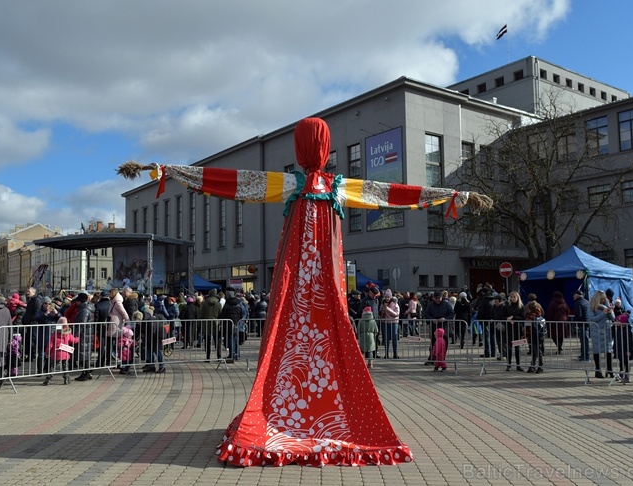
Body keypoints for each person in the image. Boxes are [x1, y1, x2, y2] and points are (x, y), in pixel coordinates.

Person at [117, 118, 492, 466]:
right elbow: (395, 194)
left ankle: (283, 411)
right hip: (326, 282)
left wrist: (173, 172)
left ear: (300, 150)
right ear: (326, 149)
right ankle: (329, 414)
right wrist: (449, 195)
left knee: (293, 324)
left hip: (297, 284)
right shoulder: (340, 187)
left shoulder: (292, 185)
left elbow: (229, 181)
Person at [44, 318, 79, 385]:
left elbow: (50, 344)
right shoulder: (68, 334)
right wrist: (78, 338)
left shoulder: (55, 334)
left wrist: (47, 352)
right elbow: (73, 340)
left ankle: (48, 379)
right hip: (65, 354)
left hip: (55, 354)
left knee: (52, 367)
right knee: (65, 367)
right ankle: (66, 379)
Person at [588, 290, 615, 379]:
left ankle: (610, 369)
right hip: (597, 331)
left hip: (607, 330)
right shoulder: (592, 306)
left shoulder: (607, 304)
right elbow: (592, 319)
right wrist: (604, 313)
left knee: (608, 351)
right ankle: (598, 370)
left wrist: (610, 312)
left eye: (604, 299)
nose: (603, 300)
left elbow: (613, 318)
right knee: (597, 351)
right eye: (602, 299)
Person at [424, 290, 454, 364]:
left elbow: (452, 314)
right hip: (434, 326)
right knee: (434, 342)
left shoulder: (446, 305)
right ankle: (432, 358)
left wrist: (445, 319)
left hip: (444, 326)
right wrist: (432, 319)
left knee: (444, 342)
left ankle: (442, 358)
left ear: (441, 298)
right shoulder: (430, 305)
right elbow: (426, 314)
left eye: (439, 298)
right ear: (434, 298)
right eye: (436, 298)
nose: (437, 300)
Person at [71, 291, 96, 381]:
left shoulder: (84, 310)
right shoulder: (87, 308)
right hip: (86, 334)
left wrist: (76, 335)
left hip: (83, 335)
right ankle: (86, 372)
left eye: (77, 301)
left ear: (80, 301)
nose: (75, 303)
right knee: (84, 354)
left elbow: (81, 324)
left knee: (83, 354)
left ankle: (86, 372)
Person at [219, 287, 243, 362]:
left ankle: (231, 356)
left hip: (229, 325)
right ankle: (236, 355)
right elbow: (241, 314)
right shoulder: (238, 303)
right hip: (237, 323)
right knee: (235, 339)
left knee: (230, 339)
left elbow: (222, 314)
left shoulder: (227, 304)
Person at [505, 291, 526, 372]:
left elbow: (523, 317)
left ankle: (518, 365)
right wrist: (507, 319)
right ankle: (509, 365)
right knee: (509, 348)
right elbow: (503, 315)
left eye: (514, 297)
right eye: (511, 297)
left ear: (517, 298)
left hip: (518, 329)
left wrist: (513, 317)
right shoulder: (507, 306)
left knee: (517, 348)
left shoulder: (521, 306)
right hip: (509, 329)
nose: (513, 298)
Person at [200, 288, 222, 361]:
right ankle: (219, 356)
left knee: (207, 341)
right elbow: (220, 314)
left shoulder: (204, 303)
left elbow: (201, 314)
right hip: (216, 324)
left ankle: (208, 357)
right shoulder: (219, 304)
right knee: (217, 341)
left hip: (206, 323)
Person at [613, 306, 633, 383]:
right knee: (621, 361)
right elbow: (616, 340)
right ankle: (622, 374)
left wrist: (629, 350)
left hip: (626, 349)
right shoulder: (618, 330)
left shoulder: (627, 331)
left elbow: (629, 342)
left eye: (618, 321)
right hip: (620, 349)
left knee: (626, 362)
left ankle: (627, 375)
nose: (616, 323)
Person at [525, 293, 544, 373]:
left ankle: (539, 366)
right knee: (535, 349)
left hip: (534, 332)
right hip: (538, 332)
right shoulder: (539, 306)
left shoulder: (530, 312)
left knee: (536, 350)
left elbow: (527, 321)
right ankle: (533, 365)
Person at [546, 291, 570, 355]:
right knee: (561, 336)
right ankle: (560, 346)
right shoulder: (564, 304)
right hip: (563, 322)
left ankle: (558, 346)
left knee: (553, 335)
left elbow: (549, 313)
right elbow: (568, 312)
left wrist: (548, 320)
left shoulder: (552, 303)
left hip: (554, 322)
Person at [379, 289, 400, 359]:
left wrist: (388, 309)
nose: (387, 298)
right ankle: (386, 353)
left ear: (391, 297)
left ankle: (395, 353)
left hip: (393, 322)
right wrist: (382, 312)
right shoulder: (382, 304)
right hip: (385, 322)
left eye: (388, 297)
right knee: (386, 338)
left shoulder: (395, 304)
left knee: (394, 338)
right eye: (386, 297)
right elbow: (380, 313)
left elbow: (396, 314)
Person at [572, 290, 590, 362]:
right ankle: (584, 355)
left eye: (574, 295)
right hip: (587, 322)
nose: (573, 296)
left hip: (582, 323)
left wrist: (575, 323)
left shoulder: (578, 303)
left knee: (584, 341)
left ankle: (585, 356)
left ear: (577, 295)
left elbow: (578, 314)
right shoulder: (586, 301)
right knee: (584, 340)